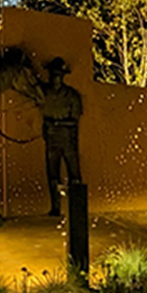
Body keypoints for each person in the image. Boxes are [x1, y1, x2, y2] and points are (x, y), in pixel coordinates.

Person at [37, 56, 83, 216]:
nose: (55, 78)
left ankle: (77, 207)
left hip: (68, 141)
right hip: (51, 140)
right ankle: (55, 207)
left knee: (74, 175)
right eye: (53, 74)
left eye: (58, 75)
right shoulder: (44, 95)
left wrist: (57, 124)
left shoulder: (72, 96)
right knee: (52, 175)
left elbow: (75, 121)